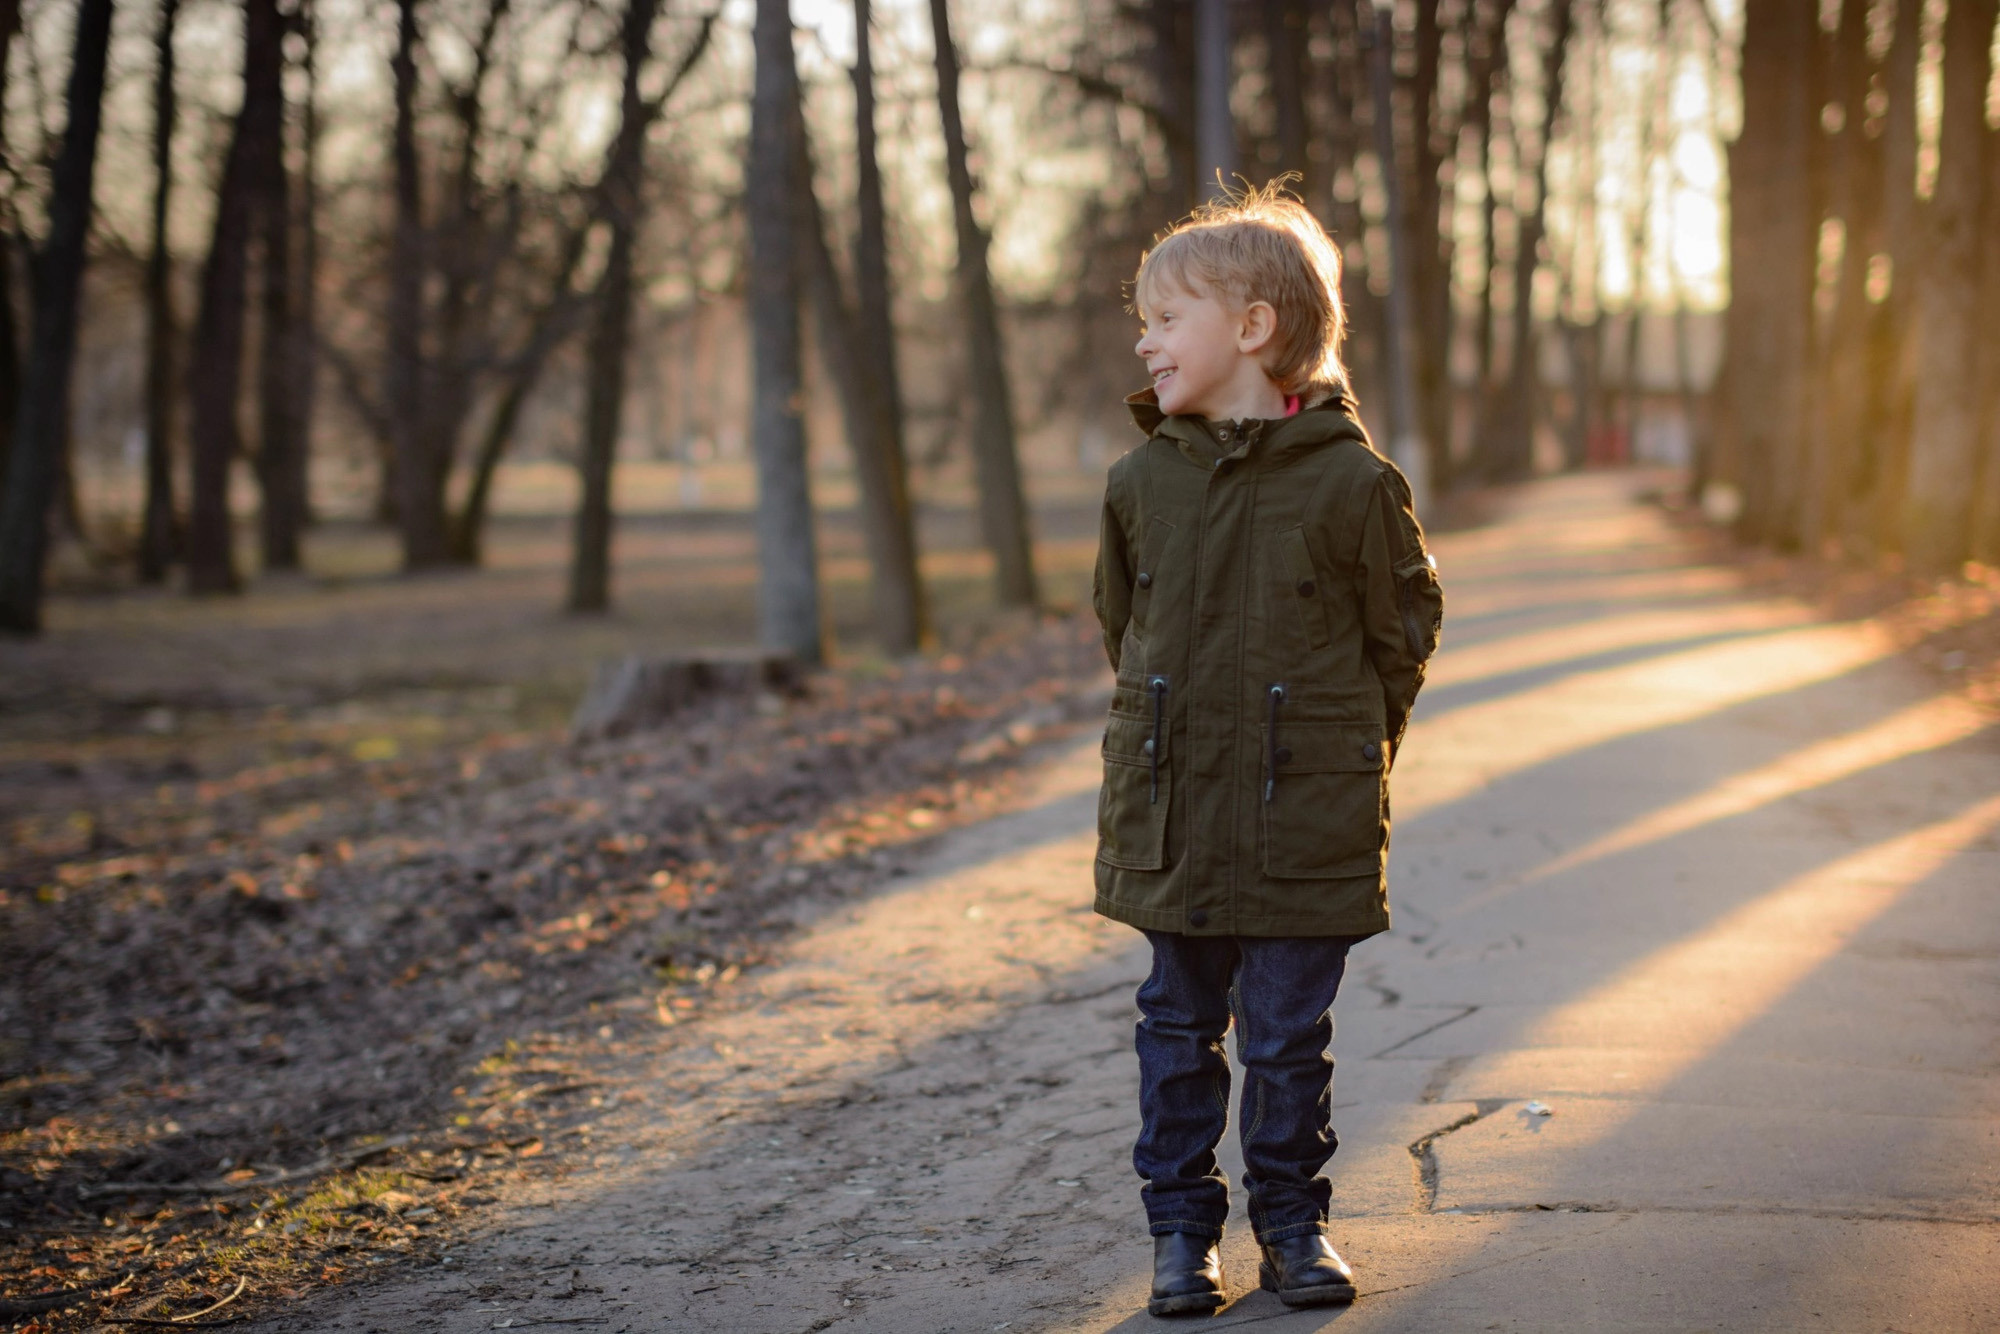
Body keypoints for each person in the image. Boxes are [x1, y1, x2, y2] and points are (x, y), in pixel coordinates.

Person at [1091, 183, 1443, 1317]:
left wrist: (1340, 756)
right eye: (1142, 321)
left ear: (1251, 326)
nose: (1143, 341)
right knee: (1176, 1028)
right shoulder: (1140, 484)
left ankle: (1292, 1223)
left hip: (1304, 818)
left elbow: (1400, 640)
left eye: (1165, 318)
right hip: (1175, 816)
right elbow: (1124, 631)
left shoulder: (1352, 483)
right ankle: (1180, 1230)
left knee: (1289, 1039)